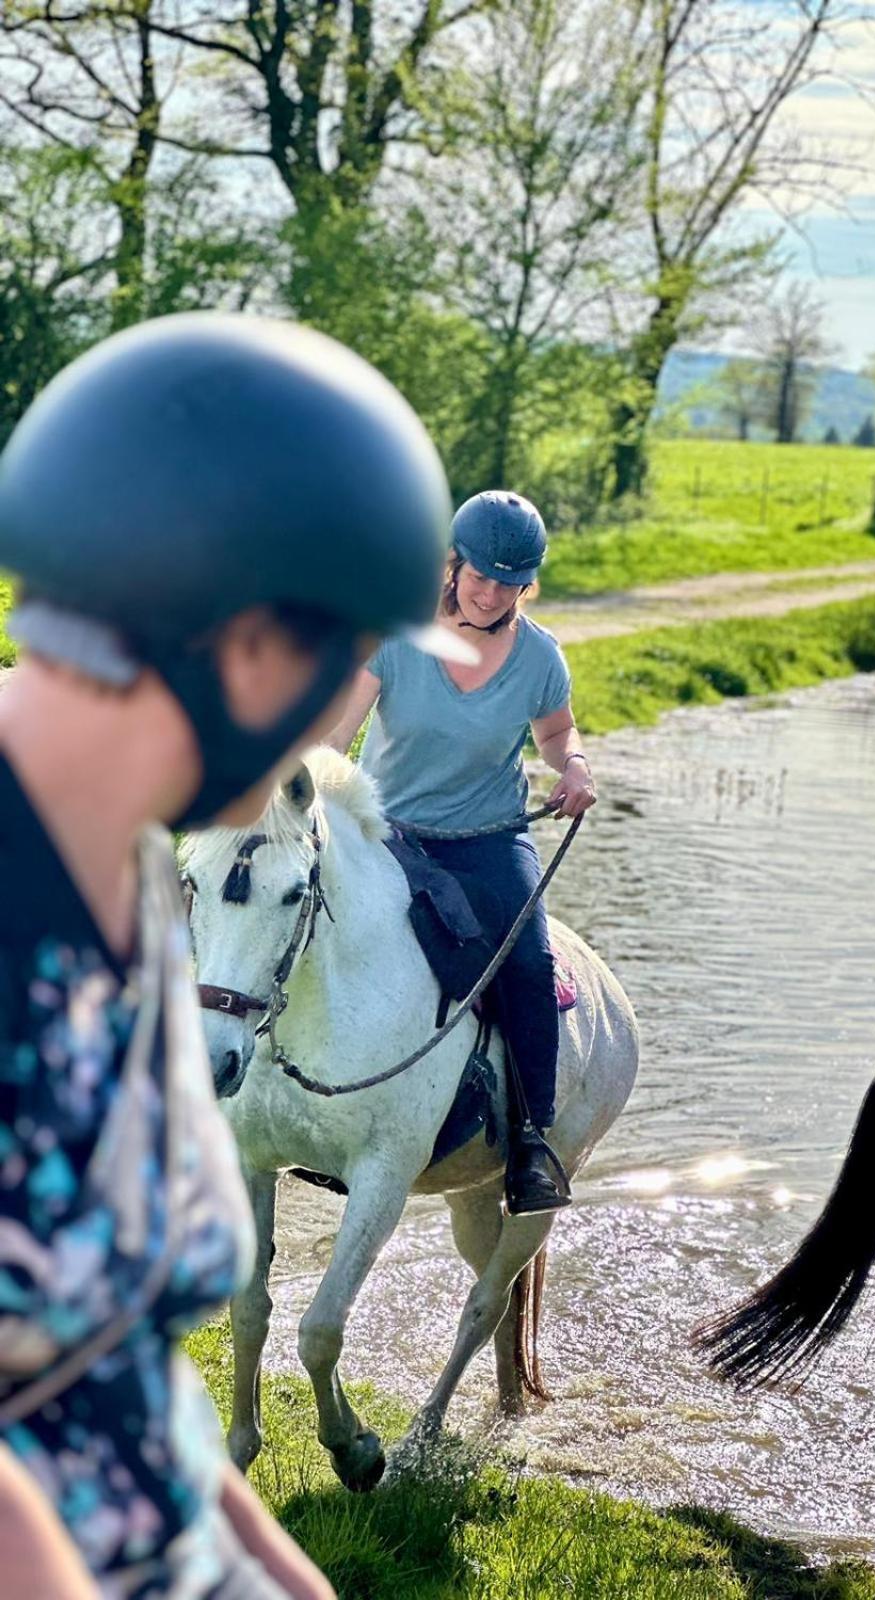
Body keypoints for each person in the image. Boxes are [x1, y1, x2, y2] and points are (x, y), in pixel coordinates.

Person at [0, 312, 467, 1597]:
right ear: (250, 643)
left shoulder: (158, 891)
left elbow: (125, 1378)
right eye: (347, 663)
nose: (342, 716)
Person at [327, 490, 596, 1216]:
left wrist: (572, 766)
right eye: (479, 575)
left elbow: (556, 735)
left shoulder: (539, 658)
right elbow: (337, 736)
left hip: (489, 839)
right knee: (312, 927)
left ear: (527, 584)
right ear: (453, 564)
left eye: (509, 583)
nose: (490, 592)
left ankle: (533, 1140)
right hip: (389, 837)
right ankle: (295, 1103)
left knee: (531, 964)